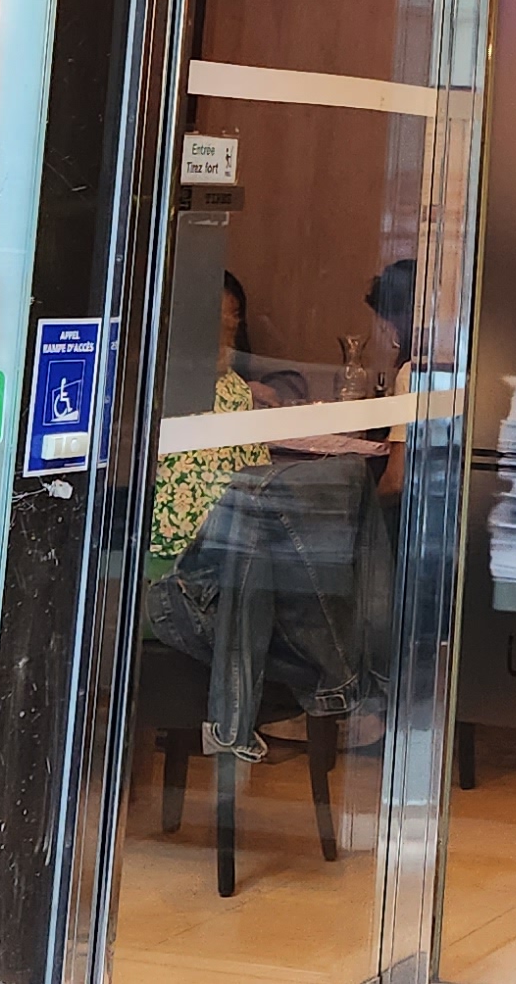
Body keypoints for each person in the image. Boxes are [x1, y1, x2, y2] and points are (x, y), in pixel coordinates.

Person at [142, 272, 387, 757]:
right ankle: (346, 686)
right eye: (220, 321)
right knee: (272, 528)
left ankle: (321, 694)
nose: (228, 331)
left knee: (329, 492)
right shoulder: (151, 387)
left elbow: (253, 483)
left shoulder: (233, 390)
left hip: (236, 562)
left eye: (231, 321)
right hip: (180, 573)